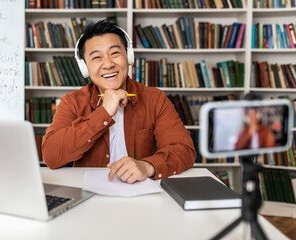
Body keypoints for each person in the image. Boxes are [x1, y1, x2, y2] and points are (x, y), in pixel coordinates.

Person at [42, 20, 196, 184]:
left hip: (138, 191)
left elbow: (184, 150)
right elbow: (52, 156)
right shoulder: (72, 102)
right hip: (90, 193)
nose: (108, 64)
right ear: (84, 67)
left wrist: (147, 166)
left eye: (115, 53)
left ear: (129, 56)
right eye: (96, 57)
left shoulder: (155, 99)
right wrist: (103, 113)